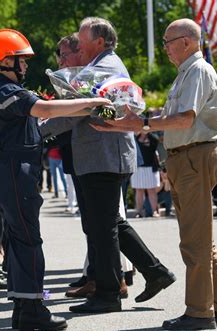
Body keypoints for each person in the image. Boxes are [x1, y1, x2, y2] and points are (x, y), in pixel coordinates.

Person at [92, 18, 217, 330]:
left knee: (195, 241)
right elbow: (167, 117)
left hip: (194, 157)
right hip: (186, 159)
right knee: (199, 238)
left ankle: (201, 312)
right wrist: (122, 120)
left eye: (167, 41)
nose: (164, 48)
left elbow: (184, 118)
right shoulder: (187, 73)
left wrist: (143, 125)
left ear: (186, 42)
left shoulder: (197, 70)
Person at [41, 18, 176, 314]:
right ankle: (155, 273)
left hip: (102, 156)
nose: (78, 41)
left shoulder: (101, 69)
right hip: (104, 155)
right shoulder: (105, 65)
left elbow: (78, 110)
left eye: (82, 36)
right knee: (111, 223)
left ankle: (108, 293)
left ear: (99, 42)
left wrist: (38, 128)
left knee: (103, 228)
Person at [0, 28, 111, 331]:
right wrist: (89, 102)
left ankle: (23, 305)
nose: (25, 67)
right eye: (20, 61)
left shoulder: (4, 88)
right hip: (13, 170)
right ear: (3, 61)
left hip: (9, 169)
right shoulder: (5, 90)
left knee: (18, 237)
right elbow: (43, 108)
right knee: (28, 239)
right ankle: (32, 309)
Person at [131, 131, 161, 218]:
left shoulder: (153, 138)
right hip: (138, 167)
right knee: (139, 191)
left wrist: (147, 134)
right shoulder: (135, 138)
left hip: (151, 167)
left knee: (151, 190)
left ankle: (155, 211)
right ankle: (139, 212)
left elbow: (155, 143)